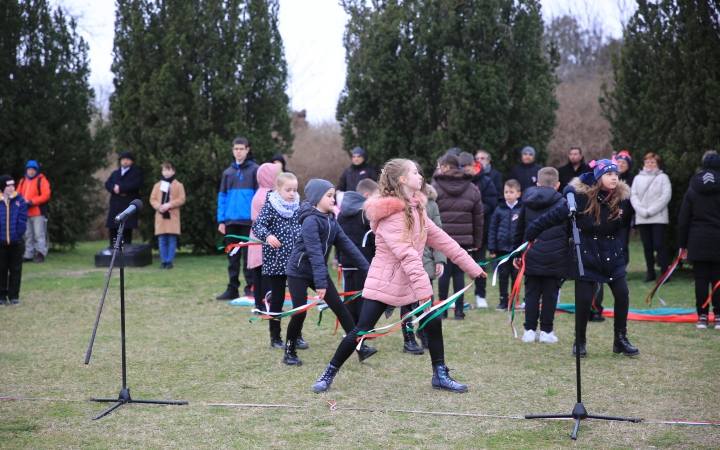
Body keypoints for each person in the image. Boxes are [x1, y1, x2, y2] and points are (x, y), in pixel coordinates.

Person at [311, 159, 487, 394]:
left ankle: (440, 374)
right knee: (361, 330)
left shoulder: (417, 208)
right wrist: (426, 294)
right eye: (415, 172)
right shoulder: (393, 215)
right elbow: (408, 256)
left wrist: (472, 267)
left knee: (433, 321)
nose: (420, 176)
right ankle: (329, 372)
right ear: (403, 180)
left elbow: (443, 240)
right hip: (386, 281)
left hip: (410, 282)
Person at [524, 159, 639, 358]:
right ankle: (580, 341)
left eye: (616, 175)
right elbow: (552, 217)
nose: (614, 177)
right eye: (609, 174)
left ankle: (620, 339)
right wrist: (531, 233)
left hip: (612, 254)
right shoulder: (579, 199)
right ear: (598, 178)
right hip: (586, 253)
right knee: (585, 299)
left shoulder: (620, 198)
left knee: (622, 294)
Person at [283, 179, 373, 366]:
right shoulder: (310, 221)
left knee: (340, 308)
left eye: (334, 195)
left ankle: (359, 346)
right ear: (317, 198)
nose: (334, 199)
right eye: (329, 196)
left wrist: (368, 270)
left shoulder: (331, 220)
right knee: (299, 313)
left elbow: (349, 247)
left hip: (318, 272)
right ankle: (289, 351)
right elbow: (315, 253)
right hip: (299, 271)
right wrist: (321, 283)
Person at [513, 168, 566, 343]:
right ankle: (546, 331)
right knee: (550, 294)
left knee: (531, 293)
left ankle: (529, 330)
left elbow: (519, 231)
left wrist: (516, 254)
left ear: (537, 184)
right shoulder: (564, 204)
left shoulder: (527, 204)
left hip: (531, 255)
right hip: (556, 257)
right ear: (558, 185)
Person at [252, 172, 302, 347]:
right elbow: (257, 226)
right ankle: (275, 337)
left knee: (298, 300)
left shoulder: (298, 207)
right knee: (278, 299)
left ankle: (296, 335)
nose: (292, 193)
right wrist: (268, 236)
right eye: (288, 190)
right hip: (276, 262)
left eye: (295, 190)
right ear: (278, 189)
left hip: (296, 262)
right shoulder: (270, 206)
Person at [432, 153, 483, 319]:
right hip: (463, 239)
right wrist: (476, 241)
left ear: (446, 167)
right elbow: (478, 218)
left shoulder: (436, 187)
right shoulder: (471, 188)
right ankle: (459, 311)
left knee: (444, 274)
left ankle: (442, 311)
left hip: (442, 239)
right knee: (459, 274)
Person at [336, 179, 383, 354]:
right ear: (366, 196)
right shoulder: (367, 213)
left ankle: (352, 330)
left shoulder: (341, 213)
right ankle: (361, 330)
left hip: (346, 262)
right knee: (364, 296)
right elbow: (374, 239)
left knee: (350, 296)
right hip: (364, 262)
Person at [678, 152, 720, 329]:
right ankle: (718, 316)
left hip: (698, 239)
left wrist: (683, 244)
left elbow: (683, 219)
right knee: (718, 278)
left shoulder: (693, 188)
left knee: (701, 278)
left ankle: (702, 316)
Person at [216, 137, 258, 300]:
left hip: (249, 221)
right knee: (232, 257)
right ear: (232, 150)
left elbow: (259, 197)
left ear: (247, 150)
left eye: (241, 148)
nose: (238, 151)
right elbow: (222, 197)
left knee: (249, 257)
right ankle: (232, 288)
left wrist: (257, 219)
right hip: (231, 221)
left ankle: (251, 287)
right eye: (236, 149)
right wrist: (221, 220)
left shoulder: (255, 170)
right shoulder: (228, 173)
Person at [461, 152, 498, 308]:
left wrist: (475, 209)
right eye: (461, 167)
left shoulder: (486, 181)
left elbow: (492, 201)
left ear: (473, 166)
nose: (463, 170)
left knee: (479, 264)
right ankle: (457, 298)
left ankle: (480, 295)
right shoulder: (457, 182)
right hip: (461, 230)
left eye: (466, 167)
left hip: (479, 229)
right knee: (457, 268)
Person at [630, 152, 672, 283]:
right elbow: (633, 196)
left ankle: (665, 273)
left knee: (659, 244)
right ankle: (650, 272)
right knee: (647, 246)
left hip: (658, 217)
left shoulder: (663, 178)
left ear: (657, 164)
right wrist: (642, 211)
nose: (649, 165)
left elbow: (665, 197)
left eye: (652, 162)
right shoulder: (637, 178)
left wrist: (651, 211)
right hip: (642, 217)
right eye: (647, 162)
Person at [417, 182, 446, 349]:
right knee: (409, 301)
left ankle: (425, 332)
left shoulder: (432, 205)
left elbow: (438, 233)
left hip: (426, 259)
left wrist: (440, 259)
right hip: (407, 259)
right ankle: (409, 338)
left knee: (427, 300)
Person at [247, 163, 281, 310]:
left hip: (257, 237)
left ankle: (259, 304)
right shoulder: (269, 196)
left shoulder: (260, 193)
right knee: (268, 275)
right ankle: (269, 305)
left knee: (259, 275)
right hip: (265, 239)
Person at [488, 180, 523, 310]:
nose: (508, 195)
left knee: (515, 276)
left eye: (511, 192)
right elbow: (492, 229)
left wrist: (522, 248)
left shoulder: (522, 209)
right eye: (506, 192)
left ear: (518, 194)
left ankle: (514, 301)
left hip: (516, 250)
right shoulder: (499, 210)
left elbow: (525, 229)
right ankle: (503, 300)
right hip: (502, 249)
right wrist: (492, 247)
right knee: (503, 276)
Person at [149, 162, 186, 269]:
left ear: (173, 172)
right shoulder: (157, 186)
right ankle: (163, 260)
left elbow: (182, 199)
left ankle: (169, 261)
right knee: (162, 240)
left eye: (168, 170)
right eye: (164, 170)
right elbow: (153, 199)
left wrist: (170, 204)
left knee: (171, 240)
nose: (166, 172)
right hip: (161, 216)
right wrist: (159, 207)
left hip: (172, 216)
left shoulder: (178, 185)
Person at [105, 152, 143, 247]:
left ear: (131, 161)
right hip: (116, 204)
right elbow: (107, 183)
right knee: (114, 229)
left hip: (127, 205)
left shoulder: (136, 173)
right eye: (123, 160)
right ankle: (113, 251)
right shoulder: (115, 173)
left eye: (127, 160)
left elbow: (135, 184)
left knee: (126, 230)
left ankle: (125, 252)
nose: (125, 161)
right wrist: (114, 188)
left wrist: (121, 188)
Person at [0, 175, 27, 306]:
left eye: (13, 185)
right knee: (1, 270)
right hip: (1, 243)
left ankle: (14, 296)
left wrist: (19, 233)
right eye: (8, 186)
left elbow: (23, 219)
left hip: (16, 242)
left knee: (16, 270)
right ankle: (1, 297)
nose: (11, 188)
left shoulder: (19, 200)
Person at [17, 160, 50, 263]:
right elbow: (18, 194)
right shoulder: (23, 181)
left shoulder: (42, 180)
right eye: (29, 169)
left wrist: (32, 202)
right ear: (26, 170)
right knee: (28, 234)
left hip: (37, 212)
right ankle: (29, 254)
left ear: (37, 171)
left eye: (33, 170)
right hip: (25, 212)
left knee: (38, 234)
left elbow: (46, 195)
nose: (31, 172)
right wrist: (21, 203)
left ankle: (40, 253)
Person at [616, 151, 635, 267]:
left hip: (624, 218)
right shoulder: (610, 177)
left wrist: (627, 213)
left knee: (622, 244)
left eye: (624, 162)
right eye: (619, 161)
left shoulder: (633, 179)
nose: (621, 164)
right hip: (610, 217)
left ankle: (622, 267)